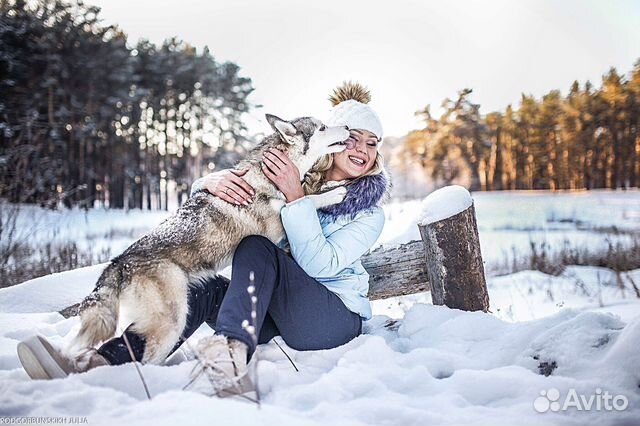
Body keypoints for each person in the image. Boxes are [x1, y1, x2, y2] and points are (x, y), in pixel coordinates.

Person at [16, 82, 391, 398]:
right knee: (201, 284)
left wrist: (295, 199)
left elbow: (317, 264)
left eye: (371, 142)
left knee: (255, 247)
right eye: (352, 137)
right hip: (281, 313)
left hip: (333, 318)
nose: (360, 148)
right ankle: (100, 362)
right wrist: (207, 183)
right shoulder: (299, 178)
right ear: (333, 139)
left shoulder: (368, 210)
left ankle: (229, 354)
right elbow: (237, 208)